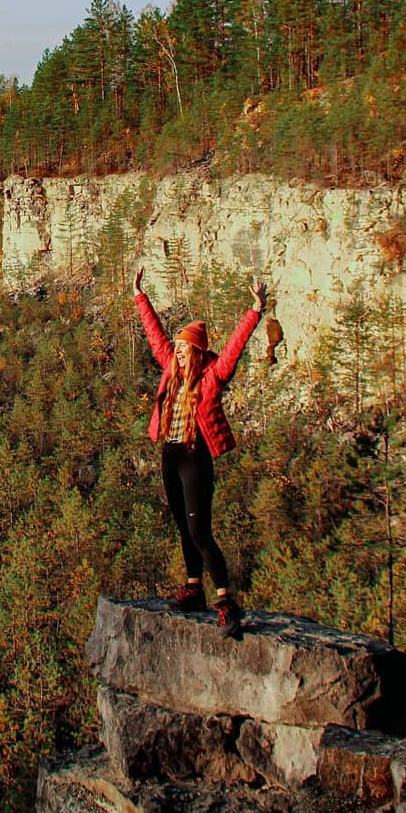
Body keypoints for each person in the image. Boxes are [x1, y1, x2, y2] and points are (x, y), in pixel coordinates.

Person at [133, 266, 266, 637]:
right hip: (171, 455)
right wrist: (139, 295)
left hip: (195, 458)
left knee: (199, 532)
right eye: (175, 349)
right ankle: (194, 587)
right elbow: (155, 336)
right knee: (182, 525)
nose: (175, 352)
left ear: (196, 352)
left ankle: (225, 602)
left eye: (182, 349)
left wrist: (255, 312)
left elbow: (234, 349)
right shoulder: (170, 370)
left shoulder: (211, 378)